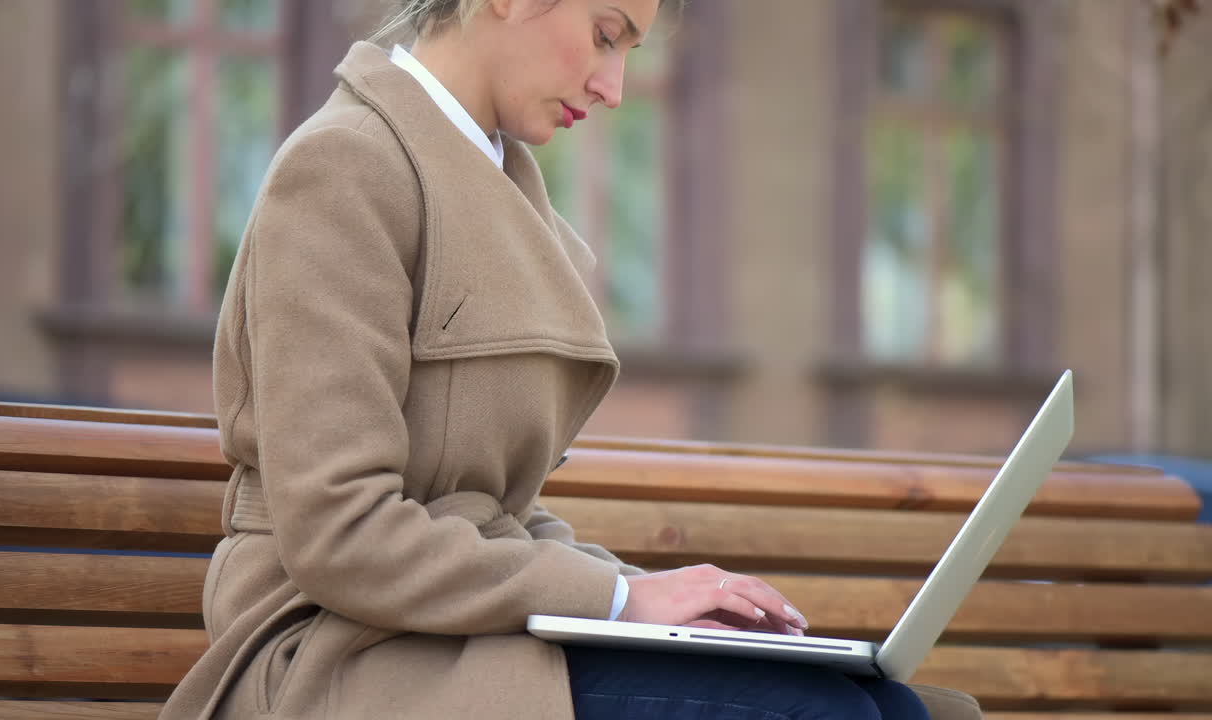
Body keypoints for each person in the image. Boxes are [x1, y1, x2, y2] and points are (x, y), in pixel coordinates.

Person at [158, 1, 981, 718]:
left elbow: (487, 507)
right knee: (817, 711)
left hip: (450, 640)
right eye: (604, 34)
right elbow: (341, 532)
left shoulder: (493, 184)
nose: (611, 86)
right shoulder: (344, 168)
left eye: (627, 51)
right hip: (334, 658)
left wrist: (661, 602)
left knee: (885, 702)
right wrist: (623, 600)